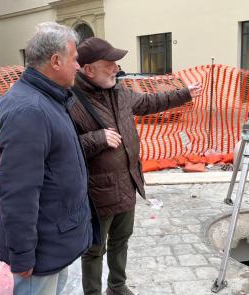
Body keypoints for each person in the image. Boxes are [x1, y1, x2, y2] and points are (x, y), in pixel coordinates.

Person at [69, 37, 201, 295]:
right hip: (97, 192)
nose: (116, 68)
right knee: (95, 249)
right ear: (89, 70)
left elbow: (150, 103)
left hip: (127, 182)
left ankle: (117, 287)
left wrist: (184, 94)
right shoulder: (72, 101)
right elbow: (63, 146)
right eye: (109, 64)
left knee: (121, 240)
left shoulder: (120, 91)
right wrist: (97, 138)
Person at [0, 22, 100, 295]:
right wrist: (23, 254)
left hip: (53, 243)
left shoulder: (49, 99)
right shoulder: (29, 110)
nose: (78, 66)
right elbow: (18, 191)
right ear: (55, 60)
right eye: (75, 59)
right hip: (39, 253)